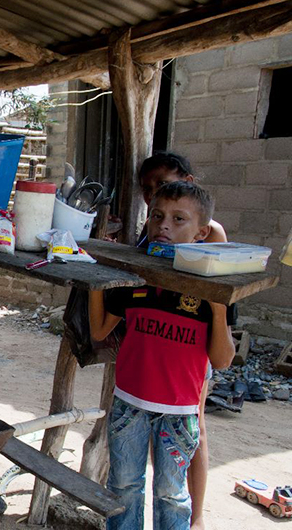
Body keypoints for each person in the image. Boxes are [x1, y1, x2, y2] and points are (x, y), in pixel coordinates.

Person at [89, 181, 235, 530]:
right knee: (123, 488)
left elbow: (223, 360)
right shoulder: (137, 277)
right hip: (129, 405)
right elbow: (98, 331)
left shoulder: (209, 286)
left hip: (180, 412)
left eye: (177, 219)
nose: (164, 225)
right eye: (157, 216)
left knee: (172, 494)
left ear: (201, 233)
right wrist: (95, 277)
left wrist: (217, 310)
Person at [138, 151, 228, 530]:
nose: (155, 194)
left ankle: (197, 516)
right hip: (158, 342)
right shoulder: (153, 230)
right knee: (163, 428)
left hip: (192, 346)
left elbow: (217, 300)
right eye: (149, 191)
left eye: (162, 183)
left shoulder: (211, 233)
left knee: (193, 425)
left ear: (189, 182)